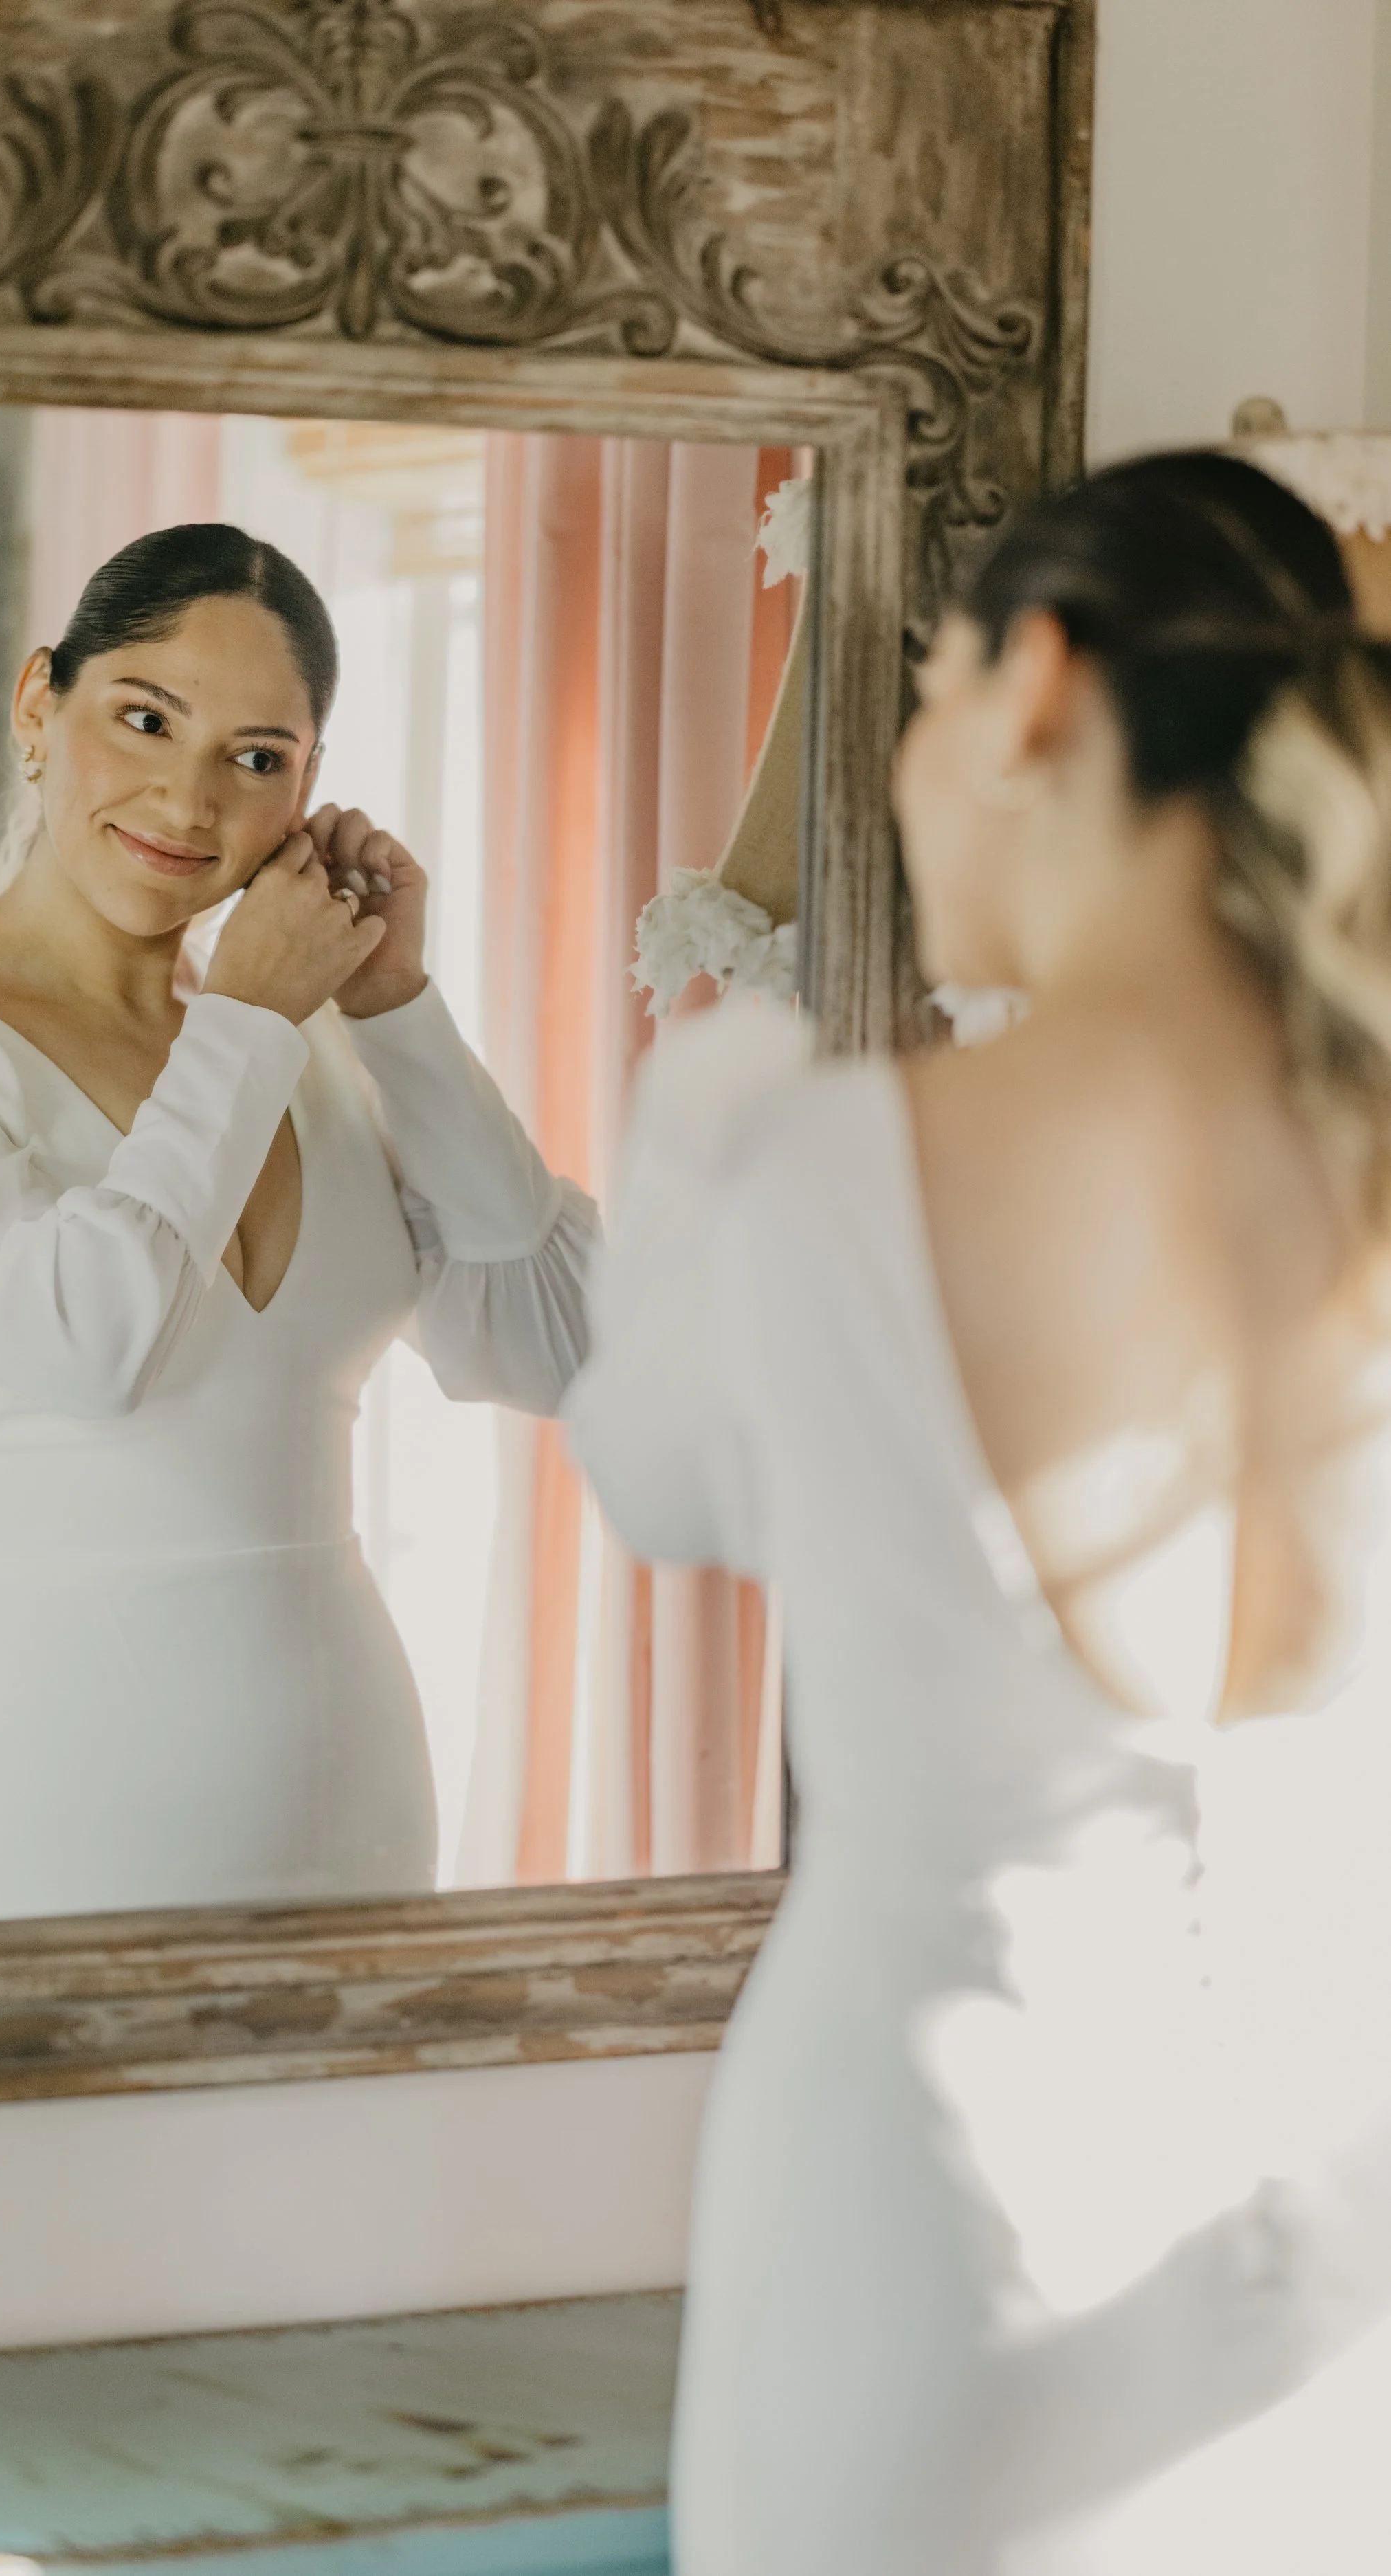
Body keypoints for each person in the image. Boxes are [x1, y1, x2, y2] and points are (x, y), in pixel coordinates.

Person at [564, 452, 1391, 2571]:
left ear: (1030, 685)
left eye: (924, 690)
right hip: (1318, 2249)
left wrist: (704, 1088)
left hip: (937, 2230)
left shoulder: (806, 1161)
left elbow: (650, 1470)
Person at [0, 522, 595, 1929]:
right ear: (36, 704)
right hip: (19, 1803)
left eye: (254, 757)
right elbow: (85, 1339)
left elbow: (554, 1342)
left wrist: (393, 1009)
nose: (187, 800)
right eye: (143, 718)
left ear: (304, 793)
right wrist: (243, 1019)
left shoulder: (302, 1043)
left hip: (348, 1800)